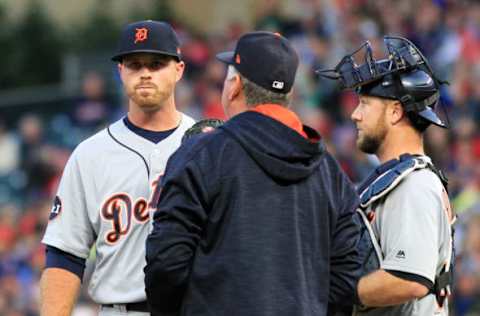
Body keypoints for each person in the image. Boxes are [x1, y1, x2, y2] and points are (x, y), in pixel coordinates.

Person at [144, 31, 362, 316]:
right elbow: (346, 275)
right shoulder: (330, 172)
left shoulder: (202, 154)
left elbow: (166, 263)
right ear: (288, 94)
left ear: (234, 86)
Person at [39, 20, 195, 316]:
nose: (145, 73)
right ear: (121, 71)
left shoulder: (208, 143)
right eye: (134, 64)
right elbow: (64, 256)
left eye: (157, 63)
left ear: (179, 70)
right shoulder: (91, 155)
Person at [319, 36, 455, 315]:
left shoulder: (414, 185)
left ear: (395, 112)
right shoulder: (398, 179)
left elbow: (409, 279)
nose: (355, 115)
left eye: (365, 104)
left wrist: (334, 291)